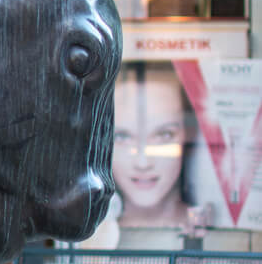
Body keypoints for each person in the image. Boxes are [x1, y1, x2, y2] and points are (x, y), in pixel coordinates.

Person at [80, 63, 196, 248]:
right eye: (122, 137)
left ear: (189, 135)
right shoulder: (84, 232)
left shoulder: (206, 225)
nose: (143, 163)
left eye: (164, 135)